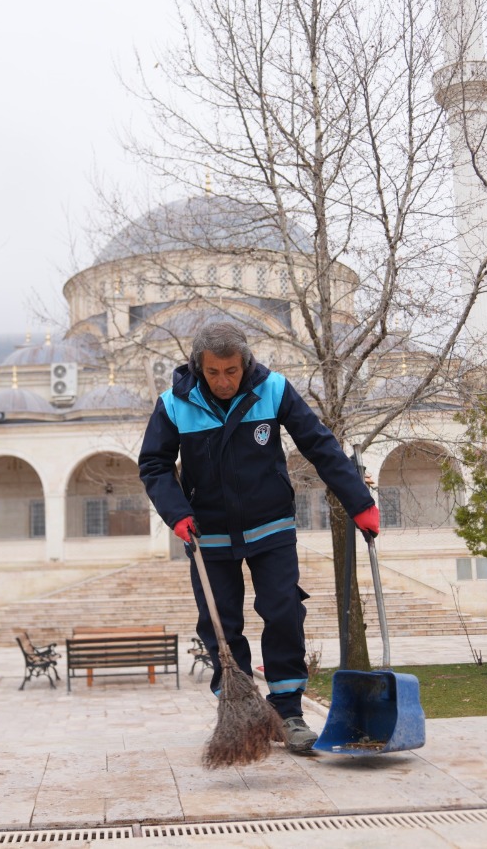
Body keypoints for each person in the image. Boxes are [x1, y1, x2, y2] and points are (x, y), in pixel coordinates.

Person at [139, 322, 378, 753]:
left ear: (245, 363)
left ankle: (288, 712)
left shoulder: (273, 390)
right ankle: (242, 710)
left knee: (284, 611)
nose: (224, 382)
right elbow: (154, 465)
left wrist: (359, 502)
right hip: (207, 533)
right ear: (199, 367)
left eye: (231, 371)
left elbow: (319, 445)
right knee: (221, 625)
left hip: (271, 526)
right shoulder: (174, 405)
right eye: (213, 373)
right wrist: (177, 514)